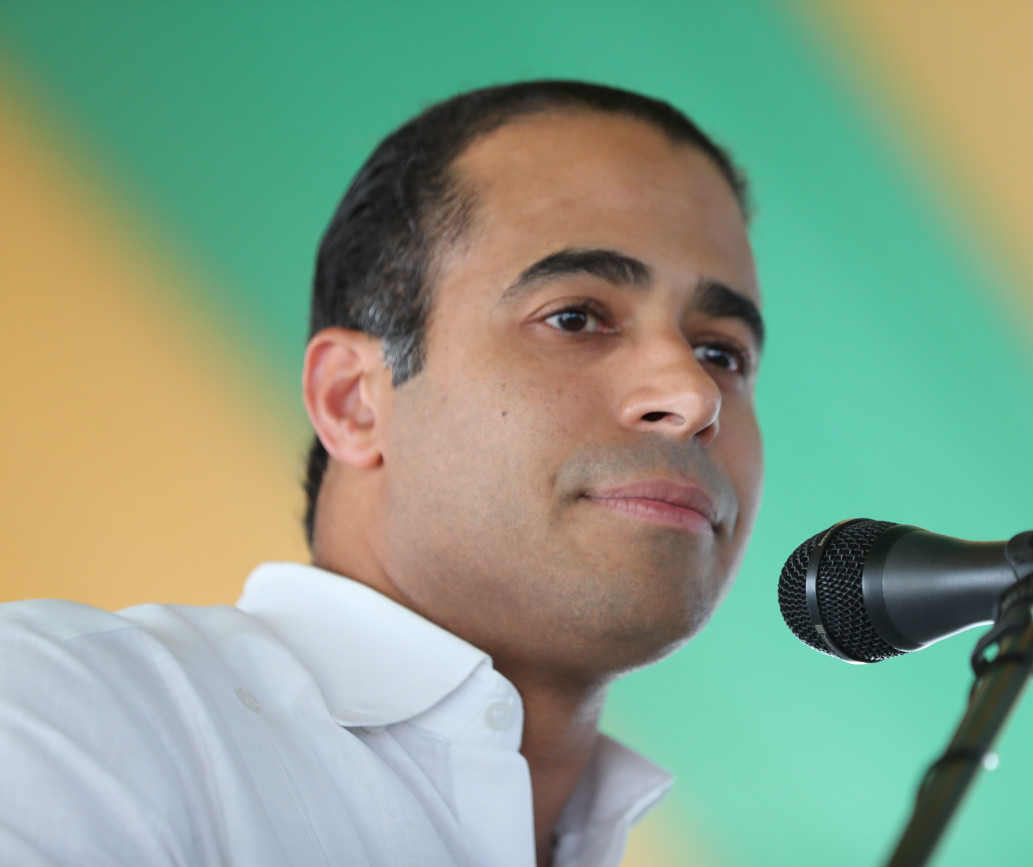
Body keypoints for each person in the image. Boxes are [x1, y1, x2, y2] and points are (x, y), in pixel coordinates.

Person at [0, 80, 764, 867]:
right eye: (575, 317)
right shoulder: (66, 710)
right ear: (354, 401)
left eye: (723, 352)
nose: (693, 395)